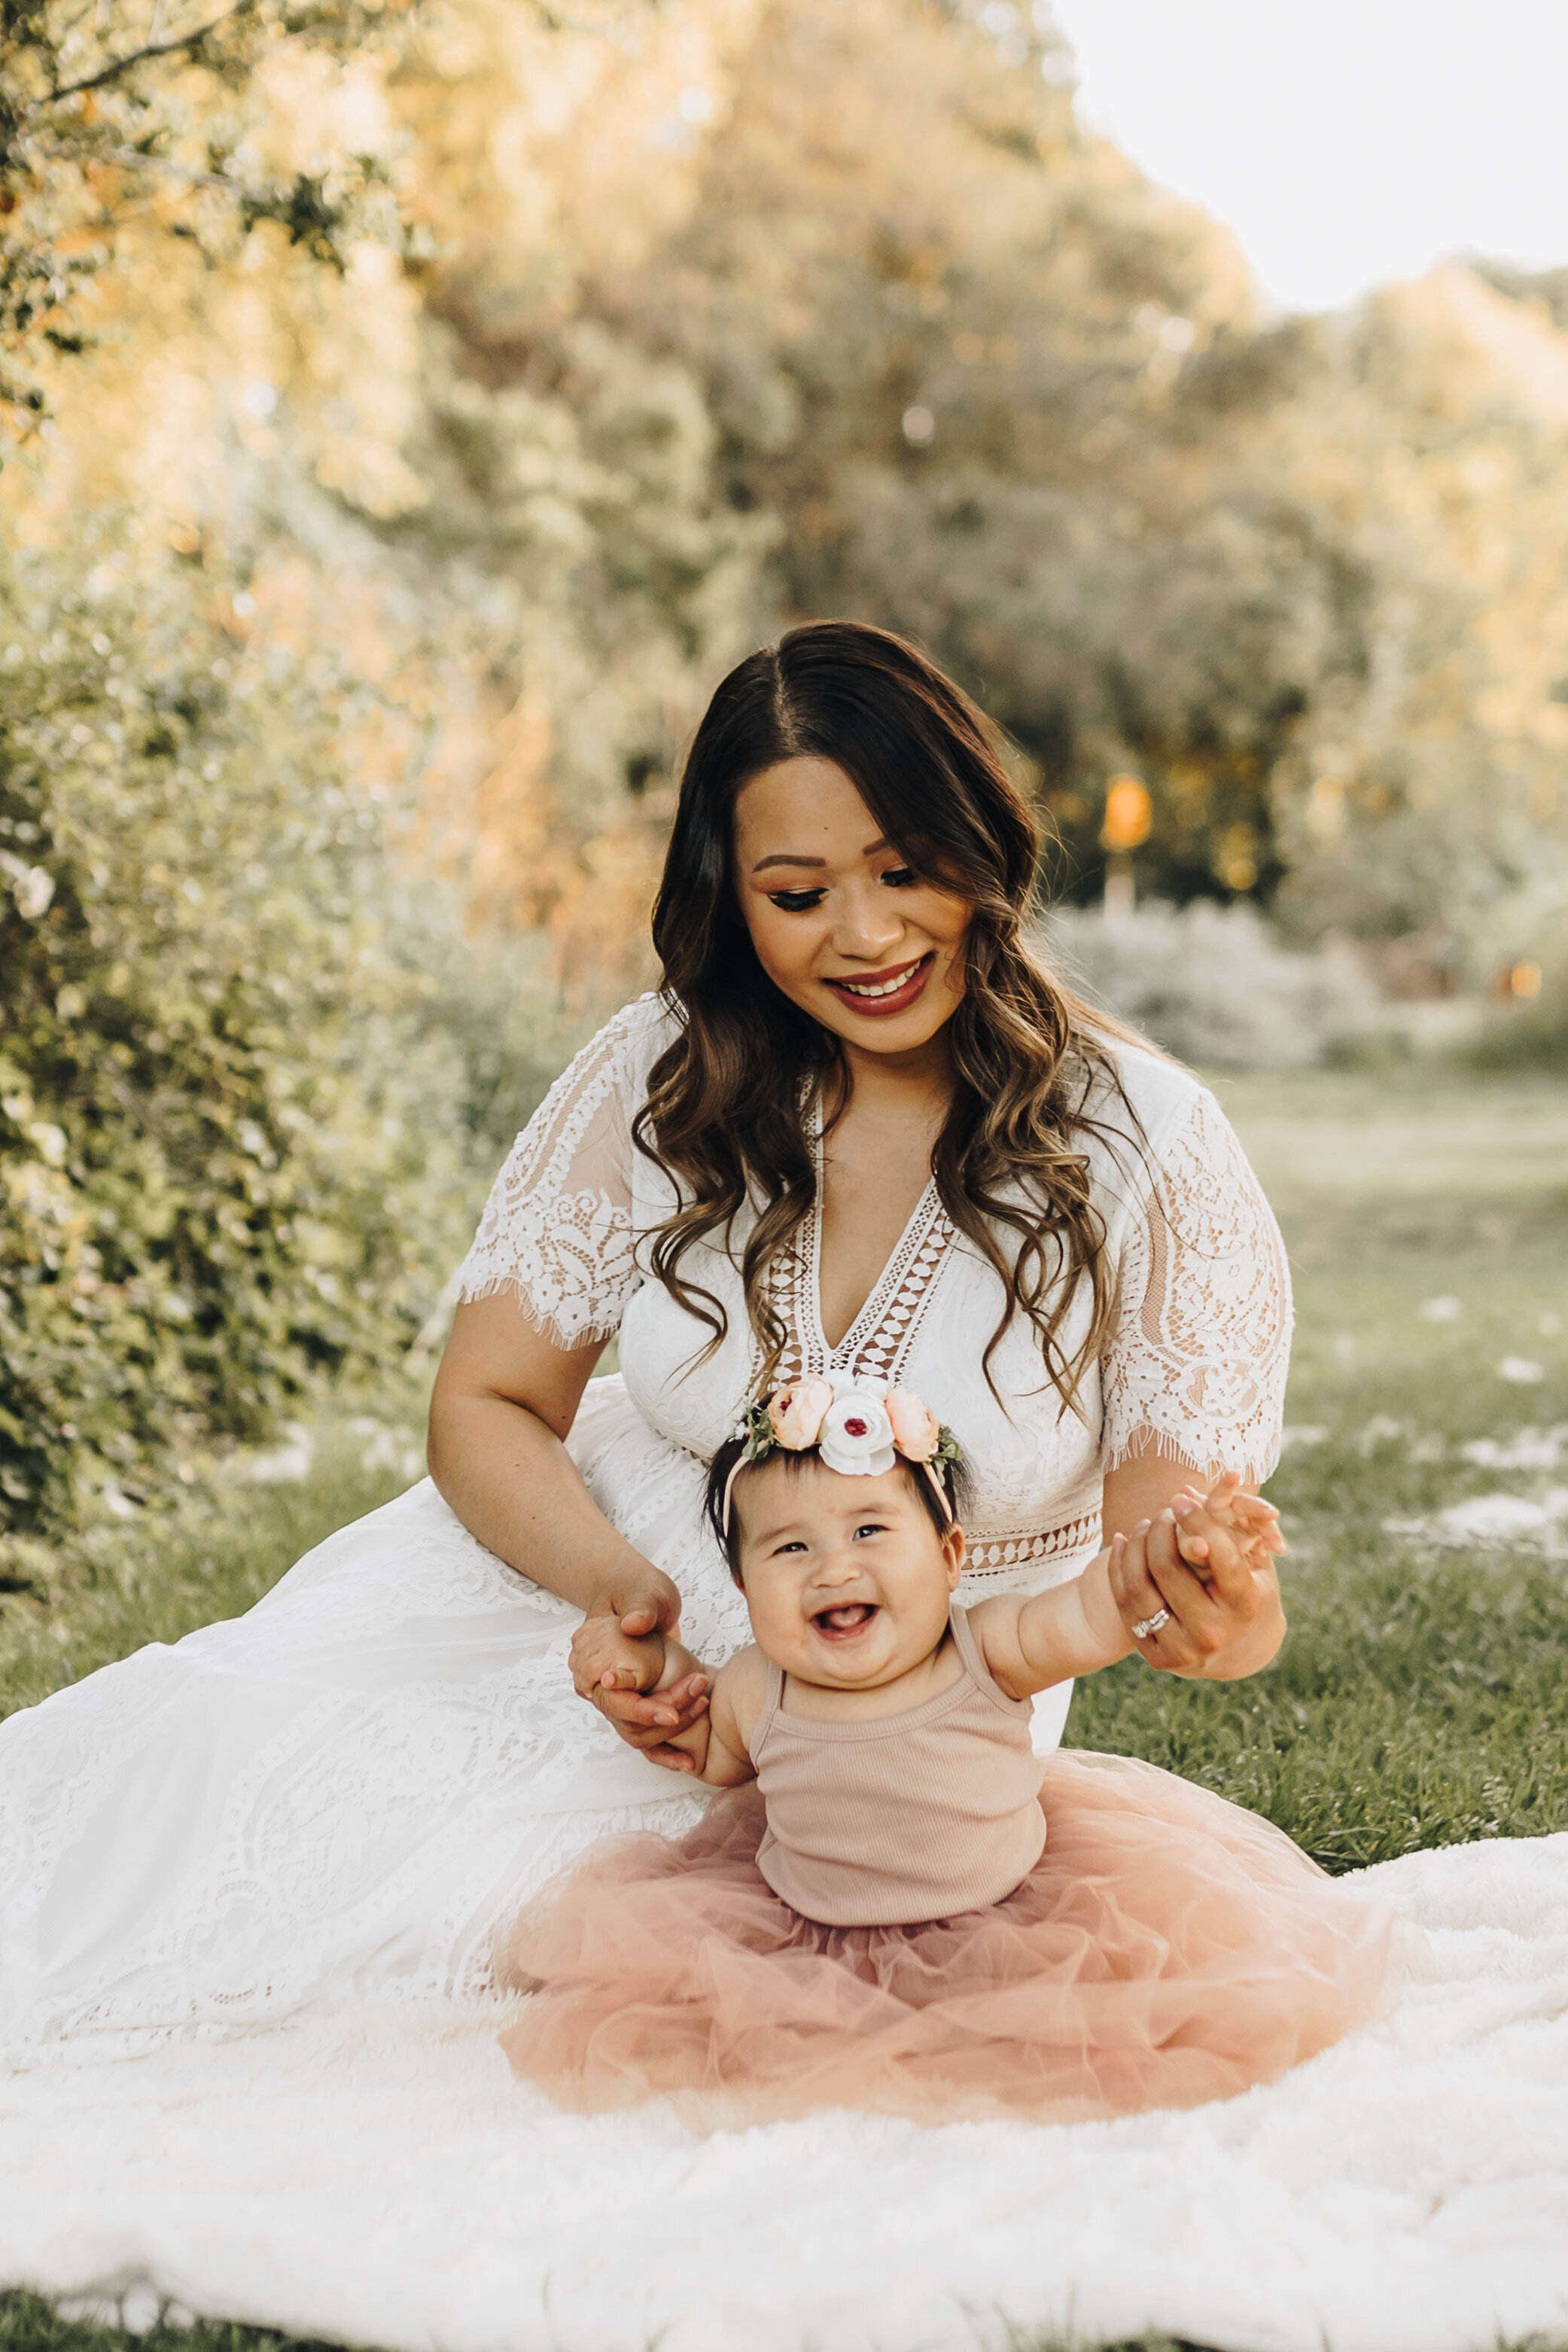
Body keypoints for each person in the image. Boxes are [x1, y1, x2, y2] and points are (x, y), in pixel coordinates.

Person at [0, 620, 1290, 2055]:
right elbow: (487, 1399)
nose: (863, 937)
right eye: (797, 893)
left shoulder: (1147, 1145)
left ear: (980, 845)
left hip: (886, 1725)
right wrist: (616, 1595)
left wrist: (1211, 1605)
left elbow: (1176, 1578)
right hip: (566, 1595)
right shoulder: (662, 1070)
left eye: (904, 870)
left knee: (474, 1919)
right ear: (728, 897)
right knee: (212, 1757)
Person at [499, 1384, 1405, 2127]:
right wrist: (630, 1668)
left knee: (1049, 2049)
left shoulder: (988, 1648)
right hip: (804, 1935)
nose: (832, 1567)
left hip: (1006, 1916)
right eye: (789, 1547)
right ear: (742, 1584)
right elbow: (696, 1741)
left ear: (948, 1554)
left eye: (868, 1531)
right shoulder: (751, 1687)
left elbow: (1095, 1609)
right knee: (769, 2069)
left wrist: (1187, 1544)